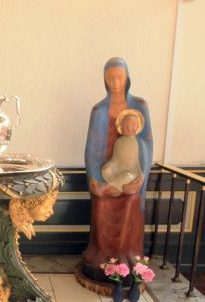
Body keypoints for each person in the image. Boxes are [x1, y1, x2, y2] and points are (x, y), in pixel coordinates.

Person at [82, 57, 153, 280]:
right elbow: (92, 150)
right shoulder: (99, 110)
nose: (115, 82)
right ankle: (102, 256)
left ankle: (128, 257)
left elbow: (147, 144)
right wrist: (95, 179)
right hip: (108, 175)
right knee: (101, 203)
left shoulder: (139, 106)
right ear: (104, 79)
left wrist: (140, 181)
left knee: (131, 202)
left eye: (119, 77)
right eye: (110, 78)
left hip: (132, 176)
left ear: (127, 77)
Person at [101, 109, 145, 192]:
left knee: (127, 176)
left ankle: (105, 187)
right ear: (121, 126)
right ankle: (116, 187)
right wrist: (109, 164)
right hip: (118, 169)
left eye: (133, 125)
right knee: (106, 170)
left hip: (132, 172)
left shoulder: (138, 143)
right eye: (126, 125)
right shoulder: (119, 141)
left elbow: (140, 162)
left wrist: (141, 176)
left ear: (138, 126)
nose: (129, 128)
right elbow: (115, 159)